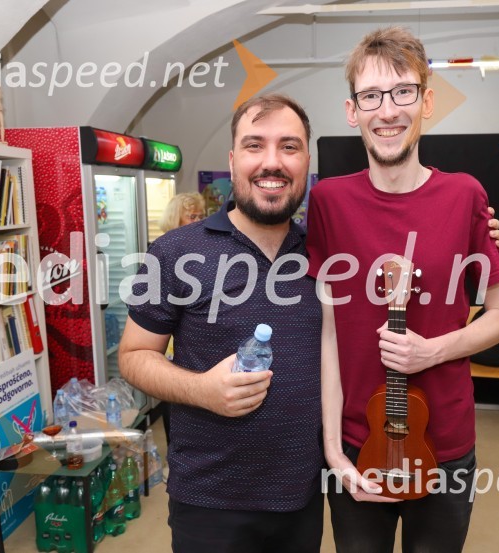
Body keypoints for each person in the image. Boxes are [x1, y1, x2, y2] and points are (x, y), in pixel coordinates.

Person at [305, 27, 499, 553]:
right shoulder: (328, 201)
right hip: (358, 446)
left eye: (402, 92)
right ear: (353, 111)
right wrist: (333, 450)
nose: (388, 110)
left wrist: (432, 350)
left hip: (445, 443)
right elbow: (328, 334)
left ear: (426, 101)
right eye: (371, 96)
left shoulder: (464, 194)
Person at [119, 94, 325, 552]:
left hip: (303, 498)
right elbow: (133, 357)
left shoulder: (327, 254)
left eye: (289, 147)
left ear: (306, 161)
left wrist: (480, 229)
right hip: (209, 504)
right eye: (255, 145)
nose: (272, 162)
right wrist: (202, 390)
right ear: (233, 161)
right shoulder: (174, 253)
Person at [153, 191, 206, 449]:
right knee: (173, 402)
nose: (198, 220)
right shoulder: (166, 249)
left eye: (200, 215)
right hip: (169, 345)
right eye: (191, 216)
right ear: (176, 219)